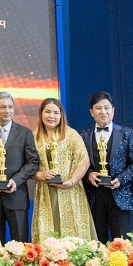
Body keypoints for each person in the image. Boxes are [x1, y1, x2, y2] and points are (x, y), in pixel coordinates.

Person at [0, 91, 40, 244]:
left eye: (10, 107)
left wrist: (16, 181)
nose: (8, 111)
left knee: (20, 246)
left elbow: (33, 163)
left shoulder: (25, 133)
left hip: (17, 196)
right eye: (3, 107)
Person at [31, 98, 96, 243]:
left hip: (70, 190)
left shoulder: (71, 134)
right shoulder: (33, 136)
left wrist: (71, 181)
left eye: (56, 112)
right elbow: (27, 166)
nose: (51, 116)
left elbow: (84, 161)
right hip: (45, 191)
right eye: (47, 112)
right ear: (41, 113)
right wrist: (41, 175)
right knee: (48, 235)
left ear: (61, 115)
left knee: (73, 237)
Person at [80, 92, 133, 242]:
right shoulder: (83, 136)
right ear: (91, 112)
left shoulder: (128, 133)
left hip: (120, 196)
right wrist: (88, 174)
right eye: (98, 108)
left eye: (106, 108)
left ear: (113, 110)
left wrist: (121, 179)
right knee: (96, 245)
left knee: (122, 244)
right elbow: (78, 164)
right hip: (94, 196)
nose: (103, 112)